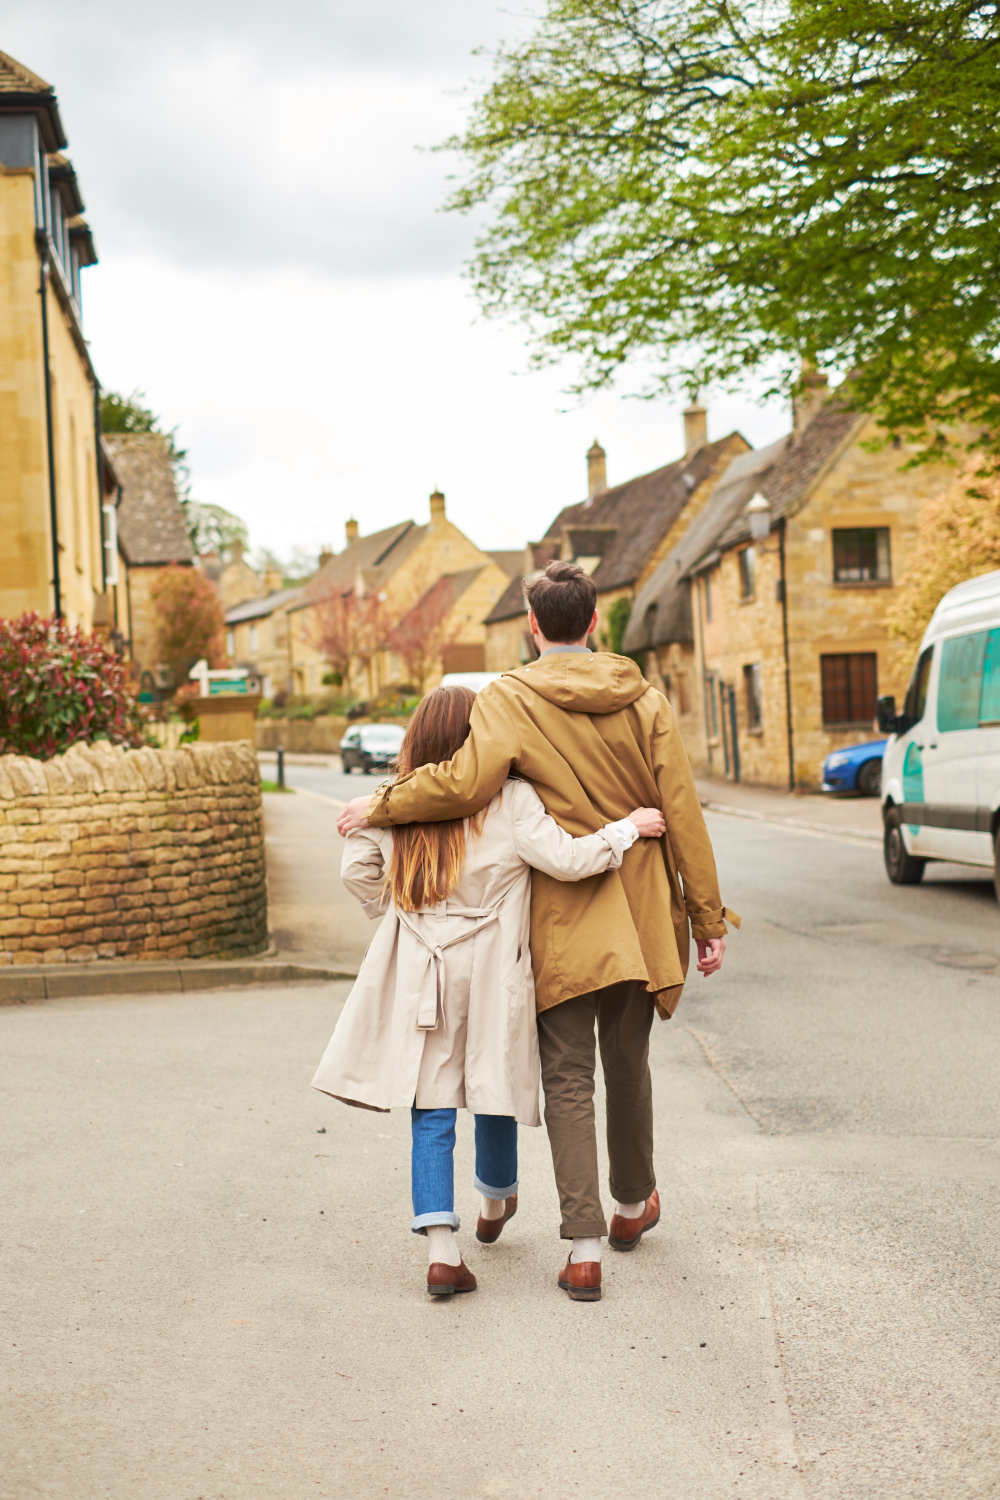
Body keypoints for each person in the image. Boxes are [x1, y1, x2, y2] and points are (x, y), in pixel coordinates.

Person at [337, 560, 739, 1302]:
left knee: (568, 1078)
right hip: (644, 907)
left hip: (565, 912)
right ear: (595, 622)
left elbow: (463, 785)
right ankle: (631, 1205)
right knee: (628, 1063)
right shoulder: (646, 699)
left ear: (531, 626)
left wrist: (382, 805)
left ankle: (583, 1250)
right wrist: (707, 917)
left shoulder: (510, 699)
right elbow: (683, 810)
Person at [313, 684, 666, 1298]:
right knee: (491, 1082)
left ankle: (441, 1251)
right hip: (492, 968)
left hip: (423, 968)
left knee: (431, 1099)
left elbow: (356, 871)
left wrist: (400, 912)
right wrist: (626, 830)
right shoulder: (511, 799)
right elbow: (568, 860)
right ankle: (496, 1199)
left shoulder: (391, 804)